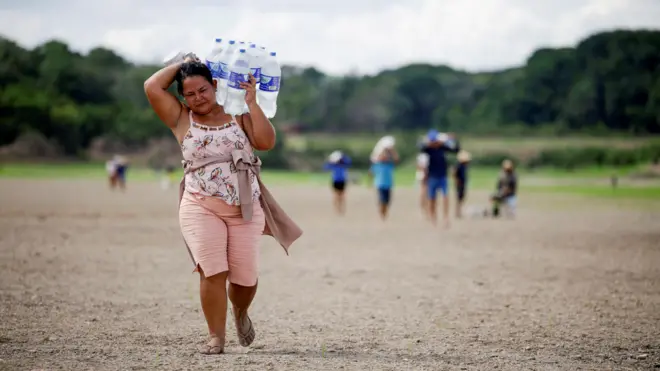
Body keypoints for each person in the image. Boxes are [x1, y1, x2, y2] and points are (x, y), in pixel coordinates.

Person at [144, 56, 302, 355]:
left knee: (245, 277)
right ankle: (216, 337)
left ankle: (240, 312)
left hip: (244, 205)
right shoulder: (180, 117)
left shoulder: (238, 113)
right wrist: (183, 62)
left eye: (202, 90)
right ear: (182, 97)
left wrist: (252, 102)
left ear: (215, 85)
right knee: (212, 271)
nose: (197, 98)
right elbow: (152, 86)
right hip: (199, 204)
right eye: (189, 94)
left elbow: (266, 142)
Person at [419, 130, 460, 228]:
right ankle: (433, 217)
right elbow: (420, 146)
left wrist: (452, 139)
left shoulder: (443, 148)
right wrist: (429, 142)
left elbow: (456, 149)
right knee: (432, 198)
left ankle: (445, 217)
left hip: (443, 176)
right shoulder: (428, 149)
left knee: (445, 197)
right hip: (432, 176)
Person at [368, 137, 399, 220]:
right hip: (380, 184)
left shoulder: (389, 165)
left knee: (387, 201)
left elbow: (396, 159)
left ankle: (384, 212)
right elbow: (371, 173)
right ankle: (382, 214)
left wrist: (392, 150)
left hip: (388, 184)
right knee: (382, 200)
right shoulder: (377, 164)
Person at [323, 150, 351, 215]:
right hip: (335, 181)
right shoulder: (333, 165)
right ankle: (336, 208)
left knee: (342, 196)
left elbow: (349, 162)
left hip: (342, 180)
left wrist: (343, 156)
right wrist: (330, 160)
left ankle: (341, 208)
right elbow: (325, 168)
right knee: (336, 195)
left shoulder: (343, 164)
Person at [453, 150, 471, 219]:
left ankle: (459, 211)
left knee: (461, 198)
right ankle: (458, 212)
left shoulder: (464, 166)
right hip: (459, 184)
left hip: (462, 183)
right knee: (459, 198)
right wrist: (457, 181)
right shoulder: (458, 165)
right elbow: (454, 173)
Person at [415, 151, 430, 217]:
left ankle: (426, 209)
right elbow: (420, 166)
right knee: (424, 193)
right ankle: (424, 209)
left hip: (427, 175)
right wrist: (425, 173)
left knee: (426, 193)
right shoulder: (423, 156)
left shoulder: (424, 155)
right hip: (423, 175)